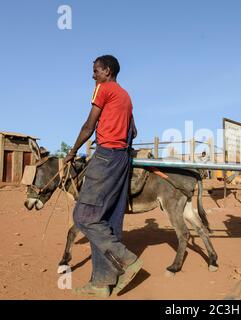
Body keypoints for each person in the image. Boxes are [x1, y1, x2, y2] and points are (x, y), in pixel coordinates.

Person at [64, 55, 142, 297]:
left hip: (106, 156)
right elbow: (135, 131)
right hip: (122, 160)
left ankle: (127, 260)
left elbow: (89, 126)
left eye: (96, 70)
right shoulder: (125, 96)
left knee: (83, 216)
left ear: (107, 71)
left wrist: (73, 150)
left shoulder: (103, 88)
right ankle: (101, 283)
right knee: (106, 220)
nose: (93, 75)